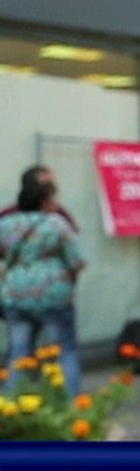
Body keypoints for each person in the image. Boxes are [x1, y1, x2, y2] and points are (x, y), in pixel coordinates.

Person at [1, 181, 86, 396]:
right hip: (53, 295)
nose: (56, 204)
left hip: (15, 294)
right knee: (66, 350)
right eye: (52, 199)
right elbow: (77, 261)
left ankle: (10, 408)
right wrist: (69, 285)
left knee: (18, 352)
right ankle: (71, 407)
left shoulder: (5, 224)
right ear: (43, 201)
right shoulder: (56, 224)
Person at [0, 165, 78, 230]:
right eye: (47, 185)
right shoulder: (8, 215)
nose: (51, 189)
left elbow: (73, 233)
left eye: (52, 185)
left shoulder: (59, 213)